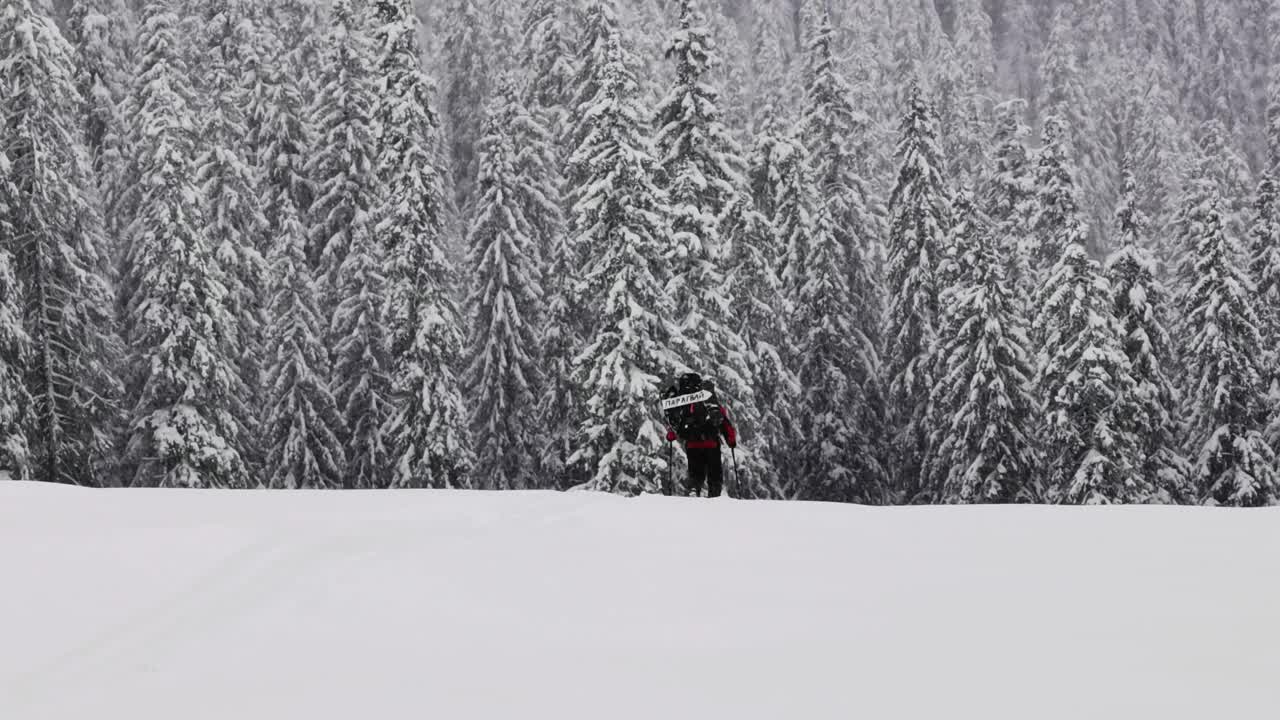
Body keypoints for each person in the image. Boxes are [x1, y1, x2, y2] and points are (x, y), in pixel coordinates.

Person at [663, 372, 737, 498]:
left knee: (696, 475)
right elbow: (723, 420)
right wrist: (730, 439)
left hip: (692, 444)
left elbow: (673, 424)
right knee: (714, 476)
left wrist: (671, 435)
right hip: (711, 444)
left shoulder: (681, 402)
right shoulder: (708, 399)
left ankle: (694, 492)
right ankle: (714, 498)